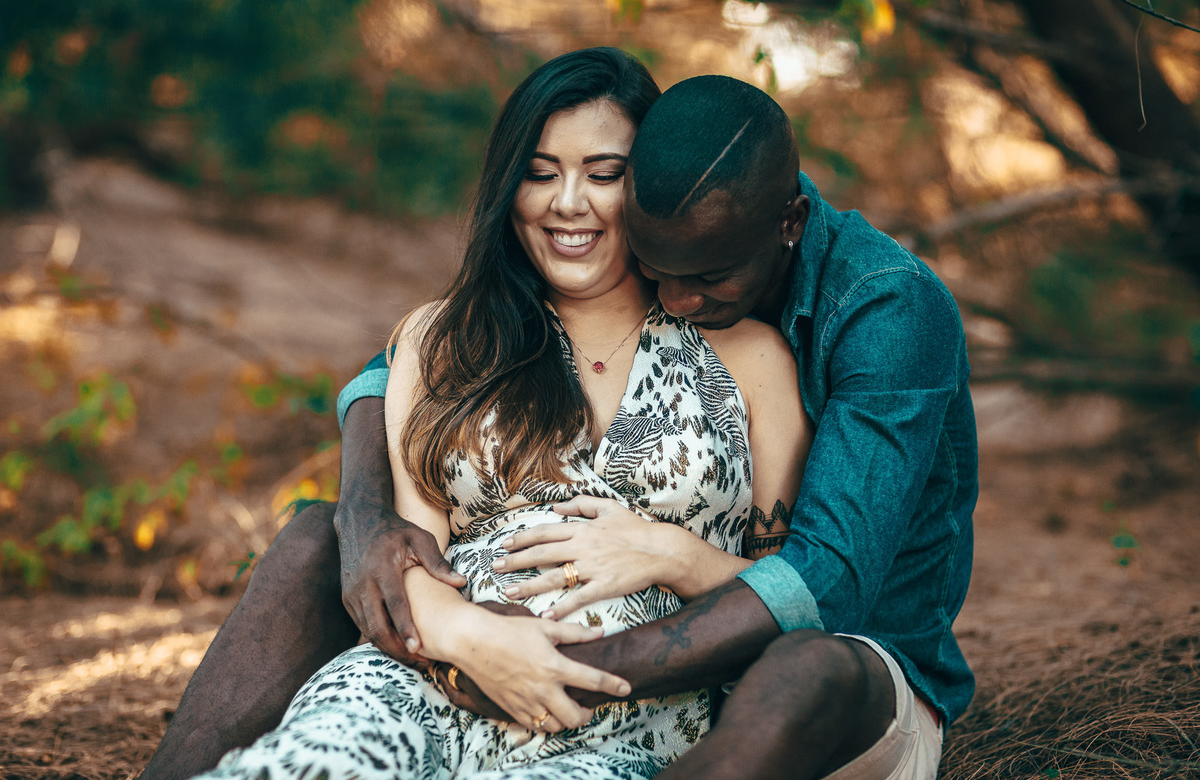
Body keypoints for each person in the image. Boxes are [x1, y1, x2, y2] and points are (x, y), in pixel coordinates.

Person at [141, 65, 976, 780]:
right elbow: (396, 378)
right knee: (318, 645)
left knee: (796, 677)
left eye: (602, 173)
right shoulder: (458, 331)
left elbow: (817, 583)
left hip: (825, 662)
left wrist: (578, 641)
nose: (680, 296)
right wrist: (419, 581)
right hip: (445, 668)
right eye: (541, 172)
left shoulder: (873, 313)